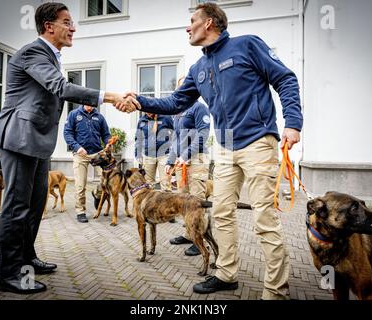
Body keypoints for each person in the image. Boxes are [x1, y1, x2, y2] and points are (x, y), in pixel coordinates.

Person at [118, 3, 302, 299]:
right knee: (221, 212)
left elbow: (285, 78)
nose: (187, 27)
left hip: (258, 142)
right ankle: (226, 273)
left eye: (192, 21)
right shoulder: (198, 68)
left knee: (264, 217)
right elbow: (175, 103)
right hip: (226, 149)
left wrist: (293, 122)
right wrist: (139, 100)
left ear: (211, 22)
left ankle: (275, 290)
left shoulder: (248, 45)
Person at [0, 2, 138, 294]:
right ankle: (8, 274)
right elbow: (61, 88)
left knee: (35, 205)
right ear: (49, 26)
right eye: (67, 22)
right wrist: (110, 96)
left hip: (37, 141)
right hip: (20, 139)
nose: (73, 28)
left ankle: (26, 259)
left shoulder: (51, 57)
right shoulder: (34, 52)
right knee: (17, 206)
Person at [167, 77, 211, 257]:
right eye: (181, 86)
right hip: (181, 161)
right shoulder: (178, 112)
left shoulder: (199, 108)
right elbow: (176, 139)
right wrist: (170, 161)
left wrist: (186, 156)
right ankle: (189, 234)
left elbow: (203, 134)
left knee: (197, 202)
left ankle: (200, 240)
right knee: (184, 202)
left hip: (196, 160)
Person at [64, 104, 111, 223]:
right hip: (80, 154)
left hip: (98, 154)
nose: (90, 106)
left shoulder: (99, 117)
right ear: (83, 102)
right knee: (80, 185)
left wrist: (107, 143)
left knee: (106, 181)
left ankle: (97, 194)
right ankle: (80, 211)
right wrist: (77, 147)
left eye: (93, 104)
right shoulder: (74, 114)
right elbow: (67, 133)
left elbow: (106, 134)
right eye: (88, 104)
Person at [135, 112, 174, 191]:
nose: (148, 113)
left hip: (164, 155)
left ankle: (166, 203)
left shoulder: (166, 118)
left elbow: (175, 134)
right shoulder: (142, 120)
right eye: (146, 111)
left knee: (165, 184)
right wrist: (137, 154)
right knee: (148, 185)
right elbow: (138, 138)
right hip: (148, 155)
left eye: (150, 111)